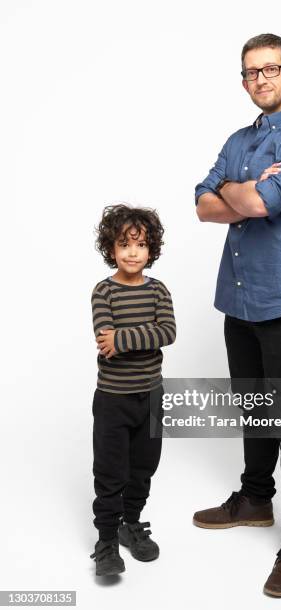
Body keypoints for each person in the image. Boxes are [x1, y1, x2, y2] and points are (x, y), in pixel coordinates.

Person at [193, 33, 281, 597]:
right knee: (253, 405)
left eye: (270, 70)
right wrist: (243, 186)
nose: (260, 81)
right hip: (240, 297)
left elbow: (255, 206)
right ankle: (255, 497)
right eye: (250, 73)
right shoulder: (237, 140)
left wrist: (241, 192)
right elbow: (204, 206)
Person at [89, 204, 176, 576]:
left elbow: (168, 332)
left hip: (151, 397)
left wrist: (123, 338)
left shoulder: (158, 291)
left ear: (151, 250)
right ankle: (106, 539)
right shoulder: (103, 292)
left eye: (140, 245)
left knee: (143, 466)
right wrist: (138, 337)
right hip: (113, 398)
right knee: (111, 470)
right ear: (111, 248)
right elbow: (104, 341)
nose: (131, 252)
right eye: (123, 244)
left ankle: (131, 523)